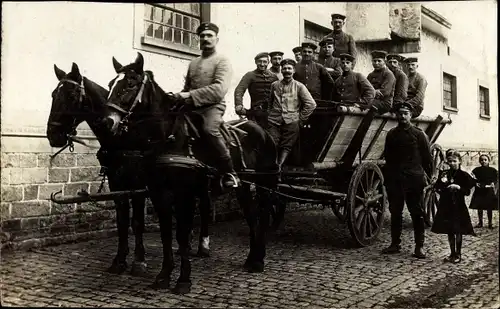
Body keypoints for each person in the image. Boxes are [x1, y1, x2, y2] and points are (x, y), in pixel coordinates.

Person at [175, 22, 239, 188]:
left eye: (209, 35)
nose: (205, 38)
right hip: (192, 107)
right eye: (202, 36)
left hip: (212, 107)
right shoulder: (193, 63)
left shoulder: (222, 61)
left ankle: (230, 172)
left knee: (209, 130)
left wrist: (189, 95)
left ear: (217, 39)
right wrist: (178, 97)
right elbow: (187, 88)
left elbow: (219, 89)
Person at [382, 101, 433, 259]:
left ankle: (419, 247)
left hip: (413, 180)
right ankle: (395, 244)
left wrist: (429, 178)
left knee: (416, 213)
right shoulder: (391, 134)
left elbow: (427, 158)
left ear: (411, 115)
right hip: (395, 180)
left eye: (406, 113)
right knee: (395, 212)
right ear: (397, 115)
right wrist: (388, 178)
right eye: (400, 113)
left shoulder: (419, 134)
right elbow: (388, 158)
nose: (403, 116)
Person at [267, 58, 316, 176]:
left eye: (289, 68)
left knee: (286, 145)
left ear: (293, 71)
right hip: (274, 120)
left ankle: (278, 166)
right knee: (272, 143)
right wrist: (271, 114)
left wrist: (301, 118)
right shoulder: (274, 85)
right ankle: (272, 167)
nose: (286, 71)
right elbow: (270, 102)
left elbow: (311, 104)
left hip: (292, 121)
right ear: (281, 70)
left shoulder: (299, 86)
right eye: (284, 68)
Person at [431, 149, 476, 263]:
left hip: (458, 206)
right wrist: (440, 187)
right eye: (450, 161)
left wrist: (458, 187)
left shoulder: (464, 175)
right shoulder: (444, 174)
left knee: (458, 230)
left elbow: (467, 192)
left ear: (460, 161)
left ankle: (458, 254)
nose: (452, 163)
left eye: (454, 161)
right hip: (446, 205)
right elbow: (438, 187)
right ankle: (452, 253)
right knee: (450, 230)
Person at [234, 52, 279, 128]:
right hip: (255, 112)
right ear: (256, 62)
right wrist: (239, 105)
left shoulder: (274, 77)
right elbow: (239, 90)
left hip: (271, 113)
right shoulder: (249, 75)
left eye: (265, 62)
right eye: (259, 61)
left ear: (268, 62)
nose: (262, 64)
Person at [470, 154, 498, 229]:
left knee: (489, 207)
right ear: (479, 161)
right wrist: (475, 183)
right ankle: (480, 223)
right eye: (481, 160)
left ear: (489, 160)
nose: (483, 161)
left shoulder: (493, 170)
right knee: (480, 207)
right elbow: (472, 179)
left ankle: (490, 223)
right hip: (479, 190)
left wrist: (493, 183)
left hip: (488, 190)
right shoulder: (476, 170)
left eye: (485, 160)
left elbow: (496, 179)